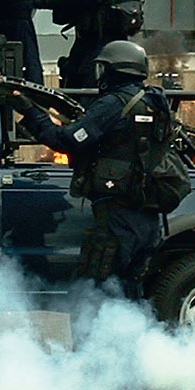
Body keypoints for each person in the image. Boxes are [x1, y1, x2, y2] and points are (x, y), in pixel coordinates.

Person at [18, 40, 172, 297]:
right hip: (147, 217)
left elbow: (66, 140)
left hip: (117, 217)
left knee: (98, 292)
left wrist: (31, 113)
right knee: (130, 292)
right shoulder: (155, 103)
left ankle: (101, 338)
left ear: (115, 71)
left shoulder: (113, 104)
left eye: (103, 68)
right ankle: (136, 336)